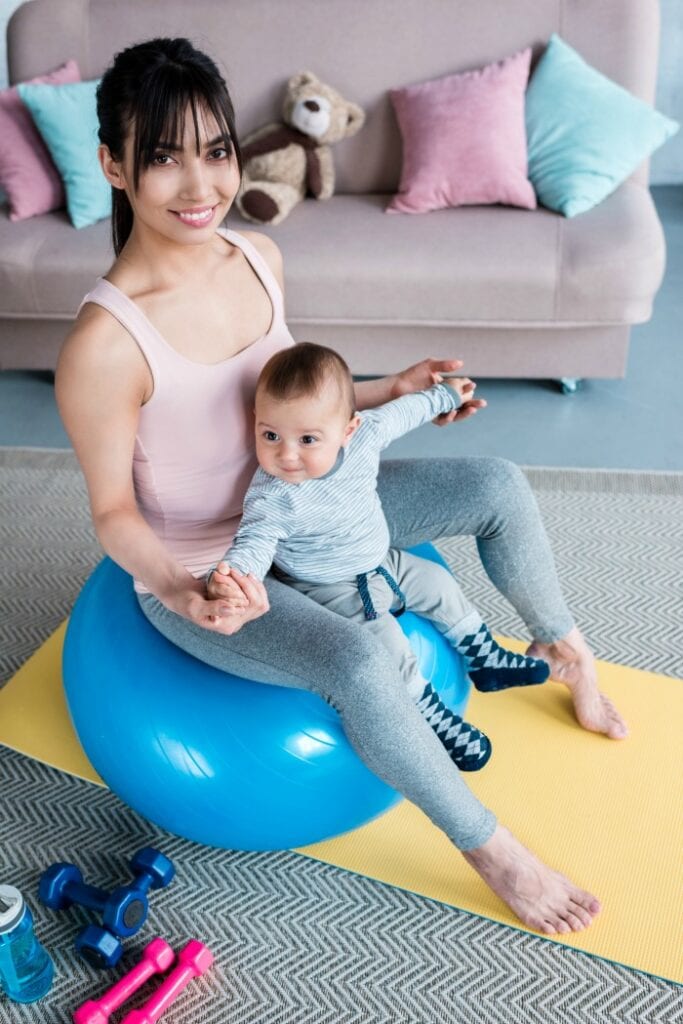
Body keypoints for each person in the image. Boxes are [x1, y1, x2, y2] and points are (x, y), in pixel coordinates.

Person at [55, 36, 628, 938]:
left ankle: (568, 654)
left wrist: (388, 392)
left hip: (308, 505)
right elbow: (113, 514)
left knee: (495, 482)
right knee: (364, 661)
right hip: (215, 566)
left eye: (215, 149)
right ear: (113, 167)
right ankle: (494, 852)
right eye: (163, 157)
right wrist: (181, 588)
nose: (199, 184)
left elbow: (290, 402)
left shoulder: (256, 258)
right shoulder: (103, 347)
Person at [207, 341, 552, 774]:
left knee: (441, 585)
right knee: (391, 648)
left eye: (308, 439)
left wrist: (446, 395)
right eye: (270, 435)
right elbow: (255, 540)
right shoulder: (273, 496)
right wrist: (236, 579)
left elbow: (403, 412)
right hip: (329, 588)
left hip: (381, 562)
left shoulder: (366, 435)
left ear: (347, 430)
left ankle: (485, 657)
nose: (286, 454)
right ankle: (436, 722)